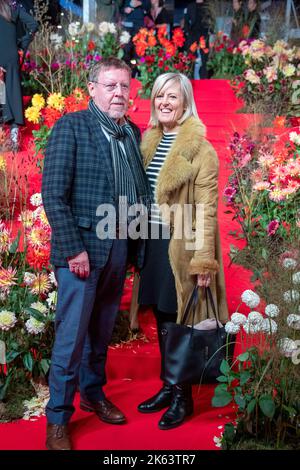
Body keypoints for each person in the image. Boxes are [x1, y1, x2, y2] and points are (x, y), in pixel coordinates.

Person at [42, 57, 152, 450]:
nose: (119, 93)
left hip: (119, 246)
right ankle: (57, 418)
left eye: (125, 86)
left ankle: (92, 392)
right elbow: (53, 196)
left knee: (101, 332)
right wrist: (74, 250)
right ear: (92, 88)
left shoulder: (132, 133)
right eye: (110, 86)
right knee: (71, 338)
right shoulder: (71, 127)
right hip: (82, 252)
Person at [137, 72, 229, 430]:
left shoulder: (200, 150)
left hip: (182, 244)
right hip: (151, 240)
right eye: (160, 96)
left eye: (172, 97)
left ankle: (183, 398)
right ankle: (168, 383)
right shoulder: (148, 141)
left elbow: (207, 209)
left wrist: (203, 259)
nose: (164, 102)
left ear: (185, 101)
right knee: (163, 315)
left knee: (182, 316)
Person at [0, 0, 38, 149]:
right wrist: (21, 45)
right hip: (11, 57)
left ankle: (2, 134)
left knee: (1, 93)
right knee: (12, 92)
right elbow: (33, 25)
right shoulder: (13, 7)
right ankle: (14, 137)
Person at [183, 0, 212, 79]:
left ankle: (203, 80)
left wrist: (210, 33)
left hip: (204, 36)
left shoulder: (208, 6)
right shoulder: (190, 6)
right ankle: (190, 79)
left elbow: (212, 22)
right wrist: (188, 32)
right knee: (191, 59)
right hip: (193, 36)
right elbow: (186, 21)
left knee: (204, 59)